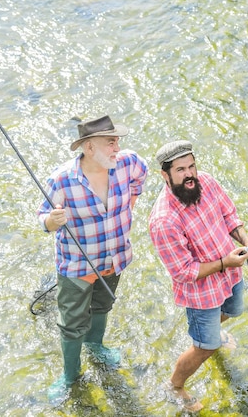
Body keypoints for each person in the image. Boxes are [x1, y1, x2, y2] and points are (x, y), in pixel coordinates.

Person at [148, 140, 248, 412]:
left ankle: (210, 332)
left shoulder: (207, 182)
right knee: (205, 348)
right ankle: (175, 385)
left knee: (233, 311)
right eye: (180, 170)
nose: (189, 174)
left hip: (230, 276)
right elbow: (183, 272)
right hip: (201, 295)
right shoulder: (163, 220)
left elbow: (230, 217)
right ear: (164, 175)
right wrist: (225, 263)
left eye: (191, 166)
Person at [37, 115, 148, 403]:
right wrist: (52, 220)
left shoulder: (128, 162)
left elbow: (141, 177)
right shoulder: (62, 179)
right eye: (110, 141)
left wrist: (132, 201)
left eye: (117, 140)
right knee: (72, 324)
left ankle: (97, 347)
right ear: (89, 147)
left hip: (114, 257)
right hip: (77, 265)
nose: (117, 146)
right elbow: (42, 219)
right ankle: (70, 375)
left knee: (103, 305)